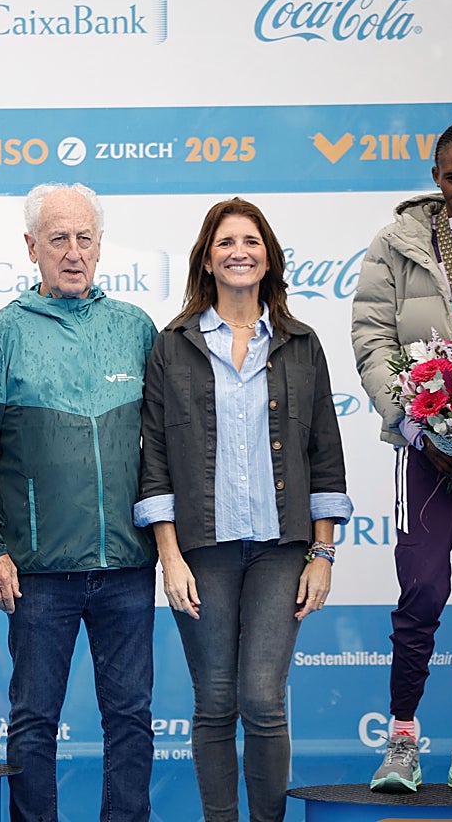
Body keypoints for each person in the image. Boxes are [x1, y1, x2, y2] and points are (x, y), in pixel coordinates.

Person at [135, 198, 352, 822]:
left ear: (268, 257)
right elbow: (155, 460)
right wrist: (169, 558)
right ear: (208, 257)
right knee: (215, 702)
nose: (239, 252)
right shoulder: (172, 345)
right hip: (202, 550)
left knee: (262, 700)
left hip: (283, 549)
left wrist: (323, 552)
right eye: (226, 242)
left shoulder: (300, 343)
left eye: (252, 241)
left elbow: (325, 453)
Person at [0, 183, 156, 821]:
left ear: (100, 245)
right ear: (31, 248)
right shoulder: (1, 335)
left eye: (84, 238)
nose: (73, 253)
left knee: (131, 720)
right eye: (58, 239)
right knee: (33, 721)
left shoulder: (137, 330)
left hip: (128, 565)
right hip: (37, 571)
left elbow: (170, 451)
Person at [353, 119, 452, 794]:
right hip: (425, 454)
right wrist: (421, 425)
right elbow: (371, 336)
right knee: (421, 590)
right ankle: (403, 740)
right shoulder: (395, 245)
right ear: (435, 176)